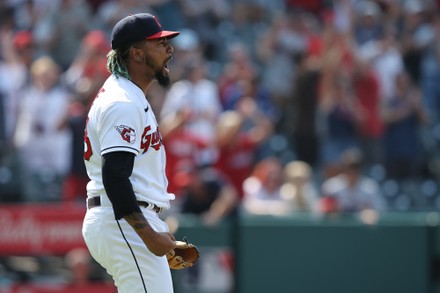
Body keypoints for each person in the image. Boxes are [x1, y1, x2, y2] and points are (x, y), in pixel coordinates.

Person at [81, 13, 181, 293]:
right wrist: (148, 235)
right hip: (123, 220)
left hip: (121, 219)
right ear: (136, 53)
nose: (169, 49)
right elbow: (114, 175)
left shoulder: (129, 95)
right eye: (159, 44)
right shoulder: (122, 102)